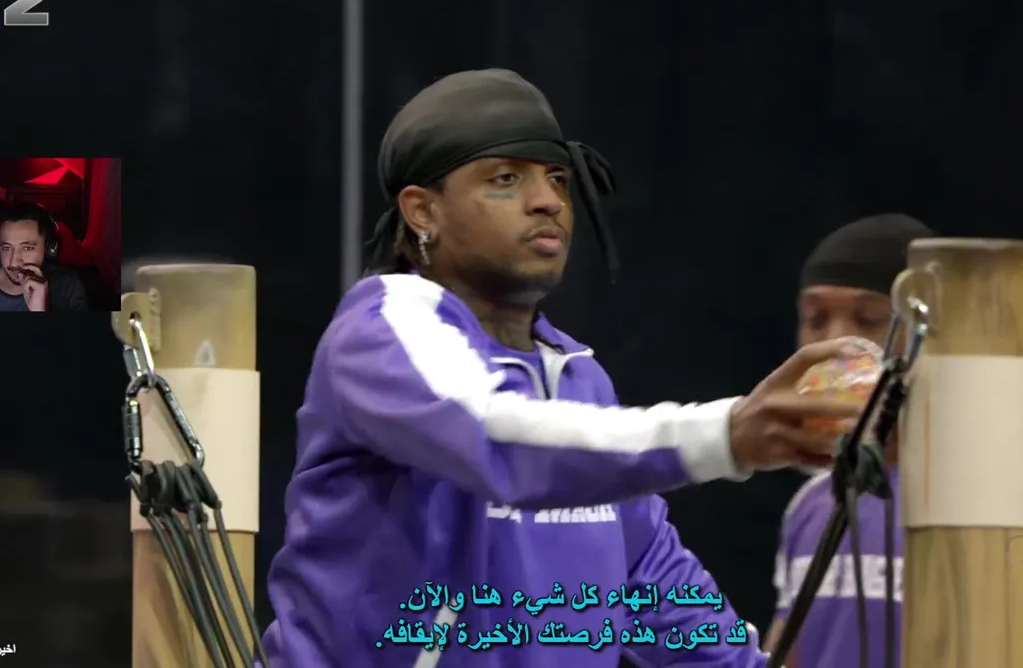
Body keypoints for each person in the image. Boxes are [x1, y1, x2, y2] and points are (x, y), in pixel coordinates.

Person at [261, 69, 861, 667]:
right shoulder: (383, 327)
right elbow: (492, 436)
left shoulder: (578, 375)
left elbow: (649, 576)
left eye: (557, 179)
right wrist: (727, 434)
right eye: (505, 178)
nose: (548, 200)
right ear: (423, 211)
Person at [764, 214, 1023, 667]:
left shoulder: (1022, 497)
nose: (836, 342)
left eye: (868, 319)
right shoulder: (813, 502)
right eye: (815, 319)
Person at [0, 202, 88, 312]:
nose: (14, 261)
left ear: (49, 248)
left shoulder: (68, 286)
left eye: (27, 248)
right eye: (7, 248)